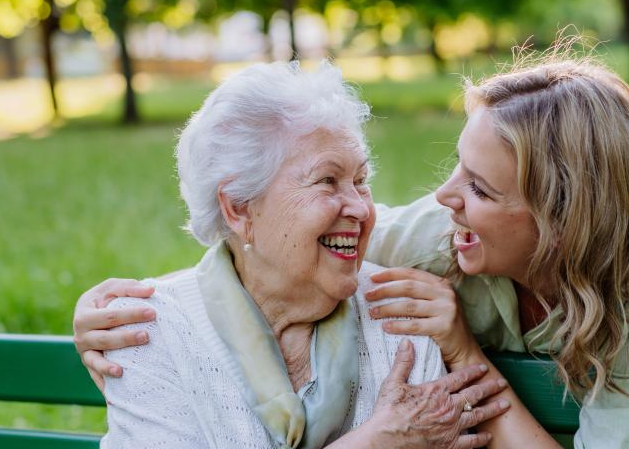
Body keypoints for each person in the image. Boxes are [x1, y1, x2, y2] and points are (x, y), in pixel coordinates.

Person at [75, 45, 629, 448]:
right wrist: (109, 314)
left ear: (559, 221)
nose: (444, 198)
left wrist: (459, 350)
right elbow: (287, 242)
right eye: (457, 167)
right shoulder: (429, 240)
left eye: (477, 187)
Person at [83, 61, 510, 449]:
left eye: (360, 180)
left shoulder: (402, 317)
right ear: (238, 208)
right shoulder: (146, 330)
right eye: (327, 180)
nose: (361, 208)